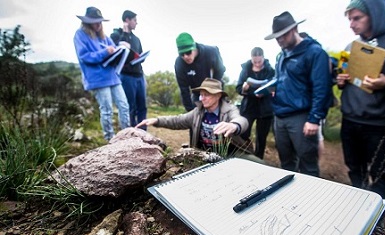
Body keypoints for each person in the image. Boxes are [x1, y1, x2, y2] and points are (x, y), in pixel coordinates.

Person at [336, 0, 385, 214]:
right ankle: (360, 209)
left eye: (357, 18)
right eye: (350, 19)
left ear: (374, 14)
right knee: (355, 169)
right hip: (351, 119)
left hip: (380, 123)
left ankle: (377, 218)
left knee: (380, 173)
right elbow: (342, 75)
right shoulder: (350, 47)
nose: (352, 25)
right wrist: (341, 81)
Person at [264, 11, 332, 177]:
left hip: (301, 117)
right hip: (280, 116)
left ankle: (311, 200)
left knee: (308, 164)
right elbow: (282, 80)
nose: (279, 40)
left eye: (283, 35)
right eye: (276, 37)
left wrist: (314, 118)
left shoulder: (315, 53)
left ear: (295, 29)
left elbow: (321, 88)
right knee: (286, 163)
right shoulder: (281, 55)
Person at [135, 78, 265, 164]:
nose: (202, 98)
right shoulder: (197, 113)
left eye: (206, 94)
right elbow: (176, 120)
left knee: (260, 164)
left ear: (218, 95)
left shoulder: (229, 109)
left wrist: (234, 125)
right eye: (201, 94)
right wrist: (156, 120)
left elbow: (242, 120)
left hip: (230, 153)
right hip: (204, 155)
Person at [73, 6, 130, 141]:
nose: (99, 24)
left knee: (124, 106)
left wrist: (121, 50)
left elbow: (114, 50)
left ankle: (127, 137)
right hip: (97, 78)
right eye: (95, 21)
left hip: (112, 76)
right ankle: (109, 139)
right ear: (87, 22)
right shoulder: (80, 35)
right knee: (107, 110)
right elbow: (85, 57)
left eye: (100, 21)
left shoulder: (104, 37)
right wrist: (105, 52)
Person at [235, 47, 275, 159]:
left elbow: (273, 87)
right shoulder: (245, 70)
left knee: (261, 138)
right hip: (249, 107)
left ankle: (258, 159)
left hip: (265, 109)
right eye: (255, 61)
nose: (257, 64)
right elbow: (238, 88)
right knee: (244, 134)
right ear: (251, 59)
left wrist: (265, 92)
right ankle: (244, 156)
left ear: (263, 57)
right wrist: (245, 89)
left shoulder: (270, 70)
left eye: (259, 61)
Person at [110, 10, 147, 130]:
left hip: (139, 75)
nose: (137, 23)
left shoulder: (137, 39)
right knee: (129, 107)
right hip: (126, 76)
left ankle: (143, 133)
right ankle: (130, 133)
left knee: (142, 106)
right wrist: (125, 34)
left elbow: (140, 54)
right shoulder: (116, 35)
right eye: (135, 20)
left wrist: (140, 58)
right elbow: (117, 54)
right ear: (127, 20)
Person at [174, 32, 226, 112]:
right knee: (196, 117)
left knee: (220, 114)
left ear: (194, 48)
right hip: (197, 92)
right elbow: (184, 90)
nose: (185, 57)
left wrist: (212, 90)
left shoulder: (211, 52)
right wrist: (190, 111)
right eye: (182, 54)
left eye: (188, 52)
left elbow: (220, 70)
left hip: (215, 89)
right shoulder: (179, 63)